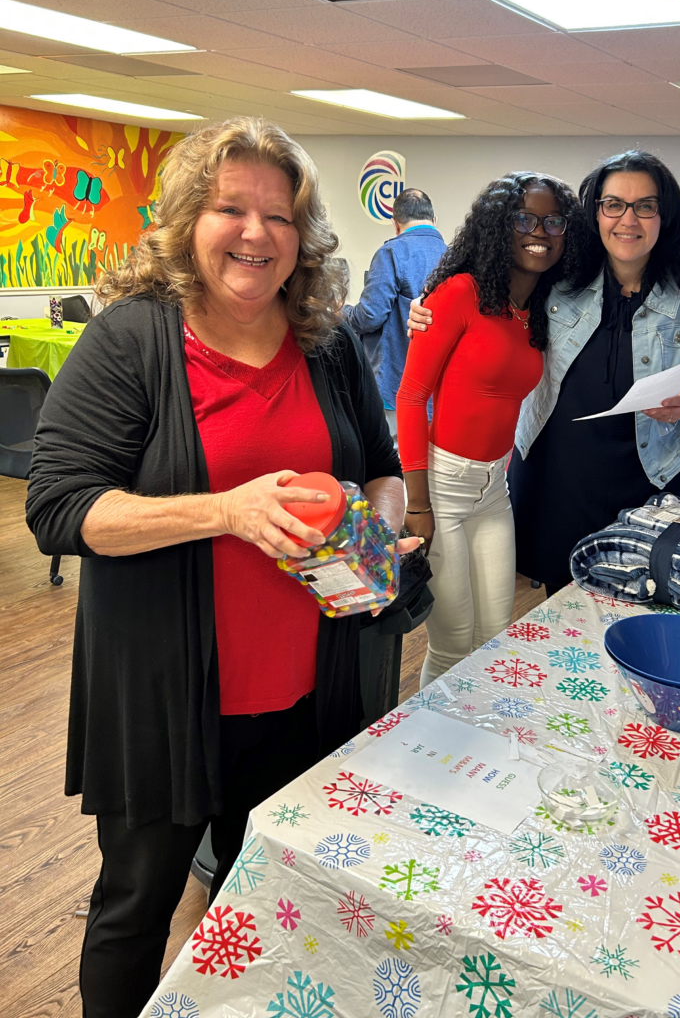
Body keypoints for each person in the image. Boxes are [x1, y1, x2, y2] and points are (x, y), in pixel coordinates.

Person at [25, 116, 417, 1018]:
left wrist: (376, 528)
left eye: (277, 216)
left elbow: (383, 469)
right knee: (134, 911)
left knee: (264, 903)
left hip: (309, 693)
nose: (254, 233)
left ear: (303, 237)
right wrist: (227, 512)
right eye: (229, 208)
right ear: (185, 220)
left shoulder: (327, 342)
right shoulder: (132, 340)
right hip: (166, 695)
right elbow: (59, 507)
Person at [410, 151, 680, 596]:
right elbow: (487, 286)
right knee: (562, 605)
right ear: (595, 212)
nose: (627, 219)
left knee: (651, 600)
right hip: (558, 472)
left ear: (664, 214)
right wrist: (425, 307)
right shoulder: (561, 272)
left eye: (645, 206)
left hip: (651, 469)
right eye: (613, 204)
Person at [397, 172, 581, 686]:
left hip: (494, 491)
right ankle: (430, 748)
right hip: (443, 489)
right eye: (524, 218)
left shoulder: (541, 308)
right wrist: (418, 506)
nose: (538, 232)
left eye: (552, 221)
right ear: (499, 226)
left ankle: (478, 747)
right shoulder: (459, 293)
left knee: (496, 636)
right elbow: (410, 398)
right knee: (453, 644)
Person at [342, 188, 445, 436]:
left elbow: (369, 316)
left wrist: (342, 312)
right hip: (440, 390)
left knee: (396, 464)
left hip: (397, 386)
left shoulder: (391, 253)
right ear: (434, 220)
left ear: (395, 224)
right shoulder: (453, 256)